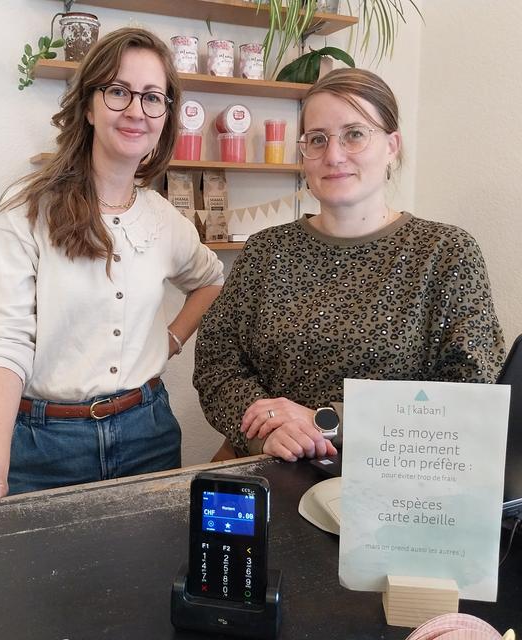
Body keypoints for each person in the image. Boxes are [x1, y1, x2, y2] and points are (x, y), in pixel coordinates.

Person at [0, 27, 224, 525]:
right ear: (89, 105)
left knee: (146, 587)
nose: (136, 110)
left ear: (165, 116)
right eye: (118, 91)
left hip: (149, 434)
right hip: (45, 447)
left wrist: (171, 340)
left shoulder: (165, 220)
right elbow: (3, 340)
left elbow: (210, 279)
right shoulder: (26, 213)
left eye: (152, 97)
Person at [193, 68, 505, 463]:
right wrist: (267, 430)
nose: (334, 155)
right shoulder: (264, 251)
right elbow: (216, 364)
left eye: (355, 134)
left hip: (396, 481)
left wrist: (328, 421)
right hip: (269, 467)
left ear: (392, 146)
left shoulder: (445, 253)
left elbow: (474, 389)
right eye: (317, 140)